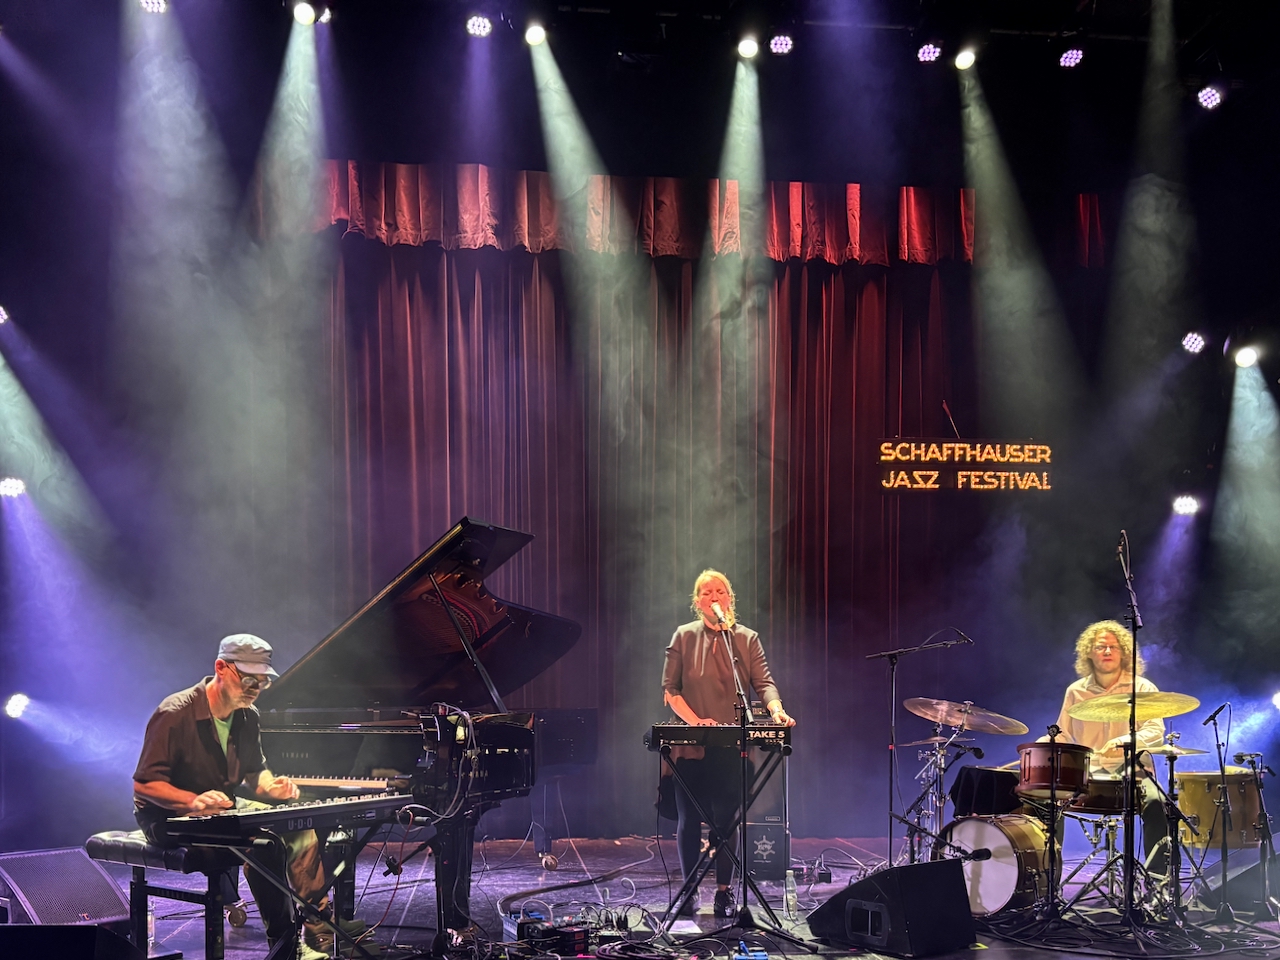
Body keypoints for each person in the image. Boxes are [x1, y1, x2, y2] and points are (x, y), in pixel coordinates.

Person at [133, 634, 362, 960]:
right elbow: (145, 785)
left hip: (223, 808)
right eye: (249, 679)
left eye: (263, 681)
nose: (255, 688)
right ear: (221, 668)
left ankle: (317, 928)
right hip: (167, 817)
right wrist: (191, 802)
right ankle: (283, 946)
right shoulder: (175, 712)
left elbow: (256, 774)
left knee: (298, 827)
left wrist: (272, 787)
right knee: (267, 845)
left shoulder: (247, 716)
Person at [661, 570, 795, 917]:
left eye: (720, 591)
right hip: (690, 746)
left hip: (731, 747)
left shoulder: (745, 639)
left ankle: (724, 892)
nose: (714, 597)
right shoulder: (683, 636)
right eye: (707, 592)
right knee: (689, 818)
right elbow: (670, 691)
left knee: (726, 819)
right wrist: (695, 722)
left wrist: (776, 710)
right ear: (697, 601)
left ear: (729, 599)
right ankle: (689, 890)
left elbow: (764, 683)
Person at [1048, 620, 1169, 872]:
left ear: (1124, 652)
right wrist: (1044, 744)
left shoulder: (1142, 688)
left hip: (1133, 770)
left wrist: (1126, 742)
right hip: (1088, 772)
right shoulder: (1075, 691)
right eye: (1100, 646)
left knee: (1158, 804)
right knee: (1047, 802)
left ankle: (1157, 881)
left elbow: (1155, 730)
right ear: (1089, 652)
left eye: (1113, 647)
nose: (1107, 651)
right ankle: (1048, 880)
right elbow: (1064, 733)